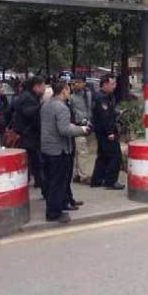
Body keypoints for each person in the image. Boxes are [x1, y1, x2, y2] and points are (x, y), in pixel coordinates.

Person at [41, 82, 90, 224]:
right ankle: (54, 212)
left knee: (54, 181)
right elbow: (64, 130)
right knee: (58, 181)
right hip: (59, 149)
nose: (69, 92)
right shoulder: (61, 107)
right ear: (63, 91)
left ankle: (62, 203)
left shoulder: (46, 104)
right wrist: (82, 130)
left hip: (48, 148)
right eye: (68, 89)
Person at [91, 75, 125, 190]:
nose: (114, 86)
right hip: (106, 132)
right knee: (115, 156)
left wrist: (116, 113)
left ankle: (97, 179)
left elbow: (108, 113)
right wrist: (110, 132)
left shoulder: (103, 96)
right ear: (105, 84)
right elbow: (104, 116)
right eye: (112, 84)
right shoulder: (102, 98)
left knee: (103, 156)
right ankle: (111, 181)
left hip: (101, 131)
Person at [13, 76, 46, 196]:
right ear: (36, 86)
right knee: (38, 163)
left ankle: (41, 185)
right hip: (29, 136)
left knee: (34, 164)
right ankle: (45, 189)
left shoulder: (26, 96)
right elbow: (30, 115)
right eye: (43, 86)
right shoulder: (29, 99)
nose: (44, 89)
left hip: (27, 135)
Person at [70, 75, 94, 184]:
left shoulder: (88, 94)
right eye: (75, 82)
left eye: (79, 82)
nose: (76, 84)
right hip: (78, 125)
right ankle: (84, 176)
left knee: (79, 150)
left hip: (86, 124)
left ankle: (77, 174)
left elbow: (89, 109)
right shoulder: (71, 97)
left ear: (84, 83)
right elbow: (73, 111)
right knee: (82, 150)